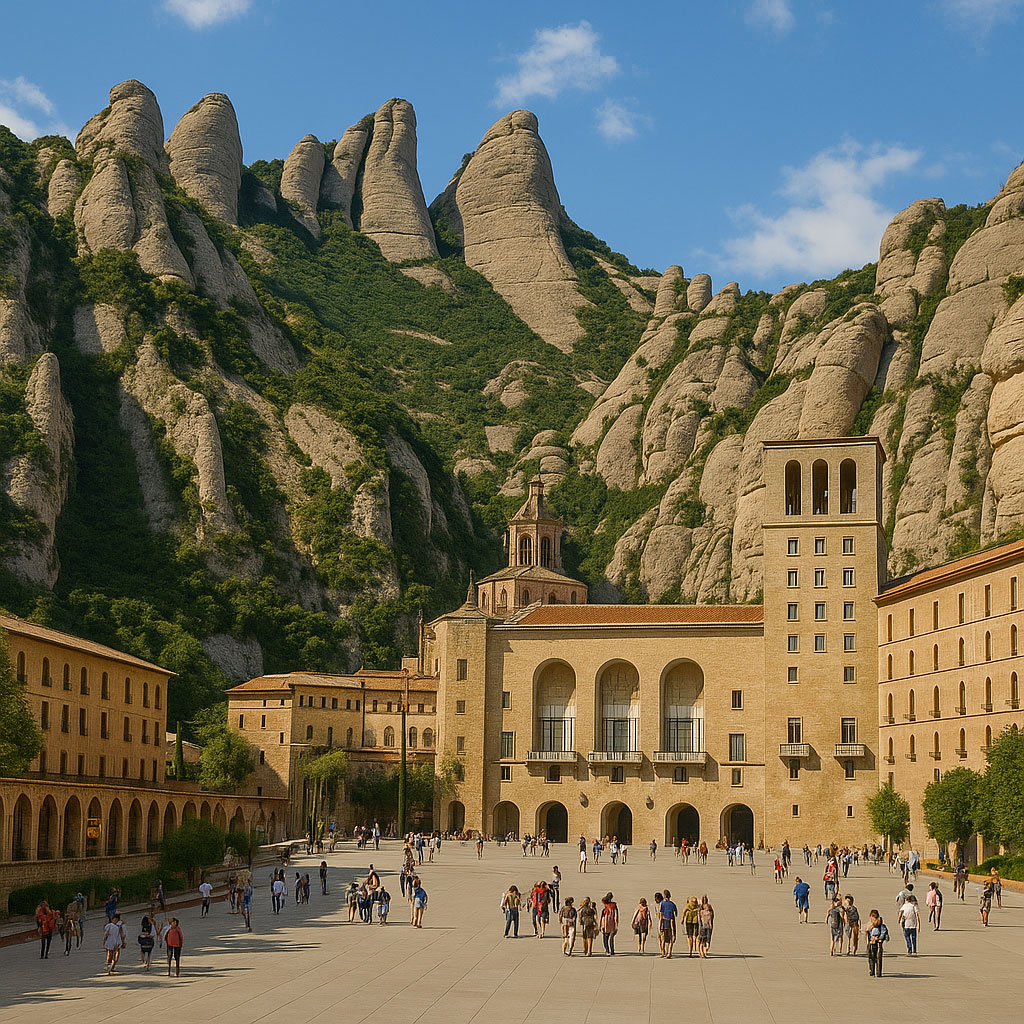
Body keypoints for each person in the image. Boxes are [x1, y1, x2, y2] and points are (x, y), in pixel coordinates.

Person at [866, 910, 889, 977]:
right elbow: (868, 933)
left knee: (878, 958)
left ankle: (878, 972)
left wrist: (879, 939)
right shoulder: (871, 925)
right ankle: (872, 971)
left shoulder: (881, 926)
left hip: (878, 944)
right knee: (871, 957)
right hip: (871, 943)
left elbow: (883, 933)